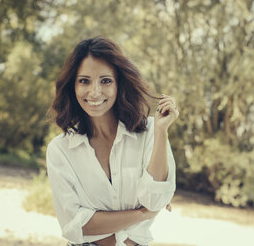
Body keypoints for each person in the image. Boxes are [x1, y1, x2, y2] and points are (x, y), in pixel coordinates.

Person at [46, 36, 178, 246]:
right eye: (84, 81)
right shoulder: (60, 150)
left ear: (119, 84)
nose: (95, 92)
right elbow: (76, 225)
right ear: (73, 85)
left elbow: (155, 199)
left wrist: (161, 132)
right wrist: (143, 213)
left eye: (105, 81)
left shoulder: (151, 132)